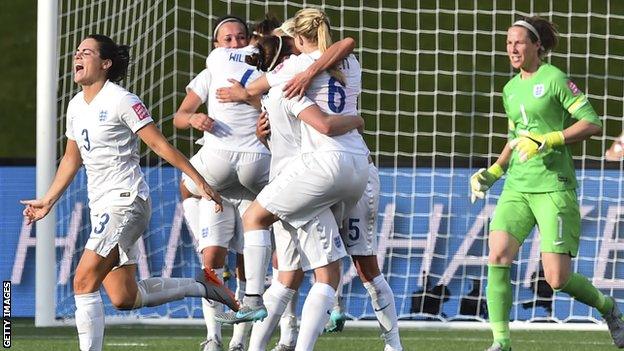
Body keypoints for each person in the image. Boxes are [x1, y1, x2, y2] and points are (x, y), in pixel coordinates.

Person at [20, 34, 238, 351]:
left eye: (86, 52)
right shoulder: (75, 105)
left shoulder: (122, 99)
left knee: (83, 281)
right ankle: (202, 285)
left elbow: (158, 143)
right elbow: (71, 157)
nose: (77, 57)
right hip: (102, 207)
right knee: (124, 297)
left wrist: (200, 181)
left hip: (126, 201)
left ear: (106, 63)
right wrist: (48, 200)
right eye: (76, 52)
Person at [234, 17, 402, 351]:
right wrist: (356, 119)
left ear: (294, 39)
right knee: (360, 267)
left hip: (318, 169)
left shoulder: (289, 73)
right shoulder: (345, 60)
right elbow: (347, 41)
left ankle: (252, 301)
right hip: (359, 168)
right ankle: (391, 343)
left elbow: (252, 90)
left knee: (288, 269)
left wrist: (244, 91)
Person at [469, 17, 624, 351]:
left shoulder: (555, 79)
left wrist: (551, 139)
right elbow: (514, 137)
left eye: (519, 42)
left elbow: (592, 122)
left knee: (557, 279)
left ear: (537, 46)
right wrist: (494, 172)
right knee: (497, 255)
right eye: (509, 42)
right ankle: (501, 342)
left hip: (554, 186)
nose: (512, 48)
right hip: (517, 187)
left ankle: (609, 308)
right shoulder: (509, 90)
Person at [174, 14, 268, 351]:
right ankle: (213, 336)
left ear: (250, 40)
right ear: (216, 45)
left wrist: (246, 96)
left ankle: (240, 340)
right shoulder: (210, 73)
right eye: (227, 39)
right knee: (212, 259)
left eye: (240, 37)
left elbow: (276, 104)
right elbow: (180, 116)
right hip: (221, 185)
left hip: (241, 173)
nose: (234, 43)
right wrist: (195, 117)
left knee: (246, 262)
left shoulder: (262, 73)